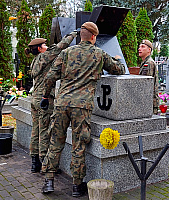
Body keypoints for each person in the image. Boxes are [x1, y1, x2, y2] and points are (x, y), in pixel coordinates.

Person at [39, 22, 125, 197]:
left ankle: (49, 181)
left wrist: (45, 97)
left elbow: (50, 77)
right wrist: (117, 60)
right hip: (82, 107)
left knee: (55, 142)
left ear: (80, 36)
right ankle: (77, 186)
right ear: (94, 37)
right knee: (79, 145)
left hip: (62, 104)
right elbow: (118, 69)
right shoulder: (99, 54)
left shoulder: (66, 52)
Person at [25, 31, 77, 173]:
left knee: (35, 130)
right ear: (40, 48)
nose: (47, 46)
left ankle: (34, 161)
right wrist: (73, 34)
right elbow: (60, 47)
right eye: (44, 45)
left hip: (35, 98)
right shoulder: (44, 56)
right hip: (44, 100)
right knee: (44, 131)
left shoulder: (35, 60)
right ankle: (44, 163)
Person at [138, 40, 159, 115]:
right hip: (147, 101)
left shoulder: (149, 63)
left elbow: (146, 85)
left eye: (143, 47)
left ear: (149, 50)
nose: (139, 49)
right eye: (139, 47)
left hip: (149, 102)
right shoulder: (144, 62)